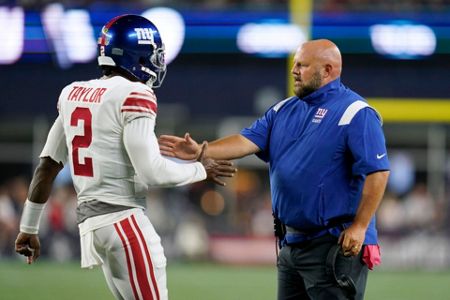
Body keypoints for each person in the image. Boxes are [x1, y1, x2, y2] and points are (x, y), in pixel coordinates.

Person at [15, 15, 235, 300]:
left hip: (92, 227)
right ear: (137, 54)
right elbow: (152, 171)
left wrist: (28, 227)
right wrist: (199, 169)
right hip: (124, 222)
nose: (158, 61)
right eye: (154, 54)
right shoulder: (136, 93)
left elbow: (47, 166)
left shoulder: (73, 93)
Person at [159, 39, 390, 300]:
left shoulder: (355, 112)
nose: (294, 71)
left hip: (334, 245)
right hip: (291, 243)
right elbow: (246, 140)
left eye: (302, 65)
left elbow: (378, 172)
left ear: (327, 70)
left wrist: (360, 226)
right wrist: (202, 151)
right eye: (295, 65)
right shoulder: (283, 109)